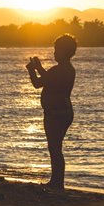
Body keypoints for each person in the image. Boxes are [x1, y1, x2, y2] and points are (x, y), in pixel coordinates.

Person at [25, 34, 77, 190]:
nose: (54, 53)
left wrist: (31, 70)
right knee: (55, 147)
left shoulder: (58, 70)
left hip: (56, 113)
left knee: (54, 148)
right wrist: (39, 67)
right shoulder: (68, 69)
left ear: (63, 51)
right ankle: (56, 181)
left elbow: (38, 83)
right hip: (64, 111)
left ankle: (57, 183)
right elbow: (48, 78)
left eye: (56, 50)